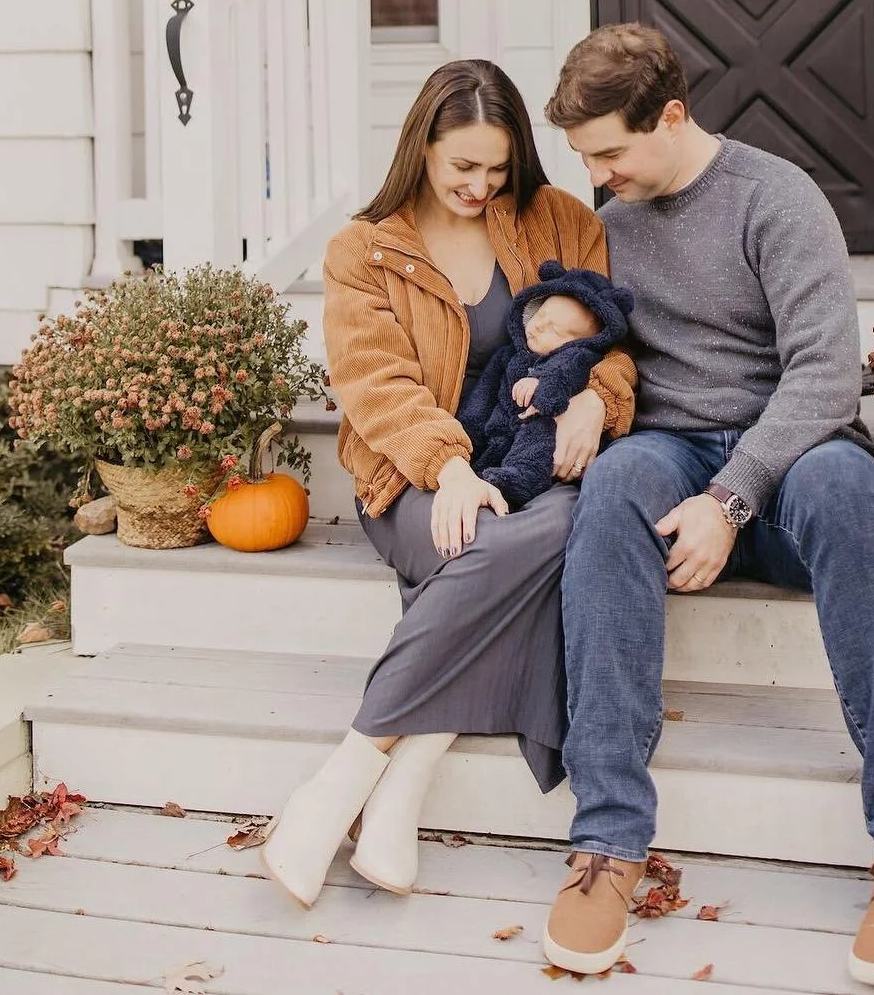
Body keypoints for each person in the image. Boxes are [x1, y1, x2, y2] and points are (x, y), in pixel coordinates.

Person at [540, 24, 874, 989]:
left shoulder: (776, 198)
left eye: (610, 151)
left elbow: (824, 377)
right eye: (585, 156)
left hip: (794, 455)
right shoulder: (616, 219)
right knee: (610, 493)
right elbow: (600, 342)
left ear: (673, 115)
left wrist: (731, 499)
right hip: (669, 447)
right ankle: (606, 841)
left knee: (852, 499)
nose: (598, 175)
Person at [261, 59, 636, 908]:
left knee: (556, 524)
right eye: (462, 165)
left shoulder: (560, 220)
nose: (480, 185)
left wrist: (597, 406)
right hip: (410, 473)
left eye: (497, 167)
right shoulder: (367, 248)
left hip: (534, 466)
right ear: (421, 147)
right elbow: (374, 382)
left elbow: (613, 338)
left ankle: (363, 776)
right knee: (505, 542)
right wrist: (451, 466)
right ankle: (381, 774)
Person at [457, 261, 633, 509]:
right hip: (501, 428)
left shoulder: (574, 358)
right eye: (541, 315)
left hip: (544, 428)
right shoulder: (508, 355)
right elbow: (484, 393)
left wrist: (542, 390)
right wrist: (465, 430)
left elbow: (567, 374)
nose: (538, 327)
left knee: (539, 432)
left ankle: (521, 478)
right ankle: (479, 466)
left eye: (555, 330)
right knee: (478, 423)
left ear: (574, 343)